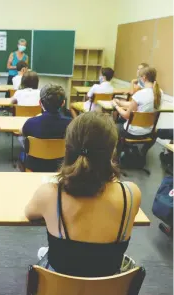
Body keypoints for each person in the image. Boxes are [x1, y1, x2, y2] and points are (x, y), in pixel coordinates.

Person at [25, 112, 141, 277]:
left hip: (58, 287)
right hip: (109, 285)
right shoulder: (130, 193)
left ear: (67, 146)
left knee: (47, 254)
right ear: (112, 150)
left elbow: (29, 214)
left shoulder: (49, 193)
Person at [20, 84, 71, 172]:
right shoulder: (71, 124)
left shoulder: (30, 122)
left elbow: (23, 132)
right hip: (60, 167)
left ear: (40, 103)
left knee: (22, 152)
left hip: (34, 167)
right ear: (63, 103)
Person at [113, 67, 161, 155]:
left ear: (144, 78)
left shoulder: (140, 94)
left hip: (132, 132)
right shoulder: (159, 93)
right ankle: (141, 154)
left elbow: (126, 115)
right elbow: (137, 105)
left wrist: (116, 106)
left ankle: (116, 157)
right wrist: (121, 103)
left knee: (113, 127)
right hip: (149, 131)